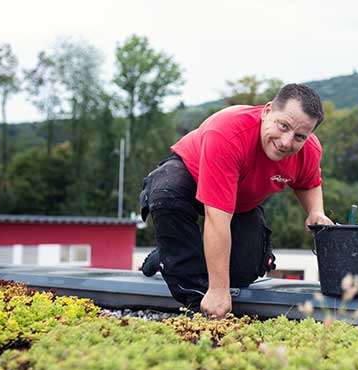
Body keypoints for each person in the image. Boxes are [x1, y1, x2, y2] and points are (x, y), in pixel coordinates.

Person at [139, 83, 333, 318]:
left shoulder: (309, 150)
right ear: (267, 110)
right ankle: (196, 302)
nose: (286, 142)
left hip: (240, 201)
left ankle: (171, 252)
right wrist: (218, 291)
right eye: (283, 126)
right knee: (167, 194)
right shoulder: (229, 132)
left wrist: (316, 211)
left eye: (299, 136)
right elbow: (217, 219)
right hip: (190, 177)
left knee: (242, 272)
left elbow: (308, 182)